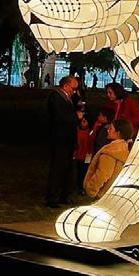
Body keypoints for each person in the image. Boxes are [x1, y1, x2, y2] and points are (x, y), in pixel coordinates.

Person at [46, 76, 81, 208]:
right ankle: (53, 197)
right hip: (60, 139)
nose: (75, 91)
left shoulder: (67, 98)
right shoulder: (56, 98)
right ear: (66, 86)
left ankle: (64, 194)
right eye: (73, 88)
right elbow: (60, 117)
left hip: (67, 139)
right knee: (57, 168)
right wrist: (75, 117)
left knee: (66, 168)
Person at [84, 119, 133, 199]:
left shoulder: (110, 151)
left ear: (118, 133)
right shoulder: (124, 149)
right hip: (115, 194)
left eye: (110, 128)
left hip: (103, 196)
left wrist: (91, 189)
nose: (108, 130)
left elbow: (102, 175)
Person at [74, 115, 94, 194]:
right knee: (79, 171)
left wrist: (89, 156)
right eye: (82, 121)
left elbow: (91, 145)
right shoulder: (77, 131)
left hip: (86, 156)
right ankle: (78, 187)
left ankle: (83, 187)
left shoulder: (90, 132)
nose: (82, 123)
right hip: (78, 155)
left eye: (85, 121)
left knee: (85, 172)